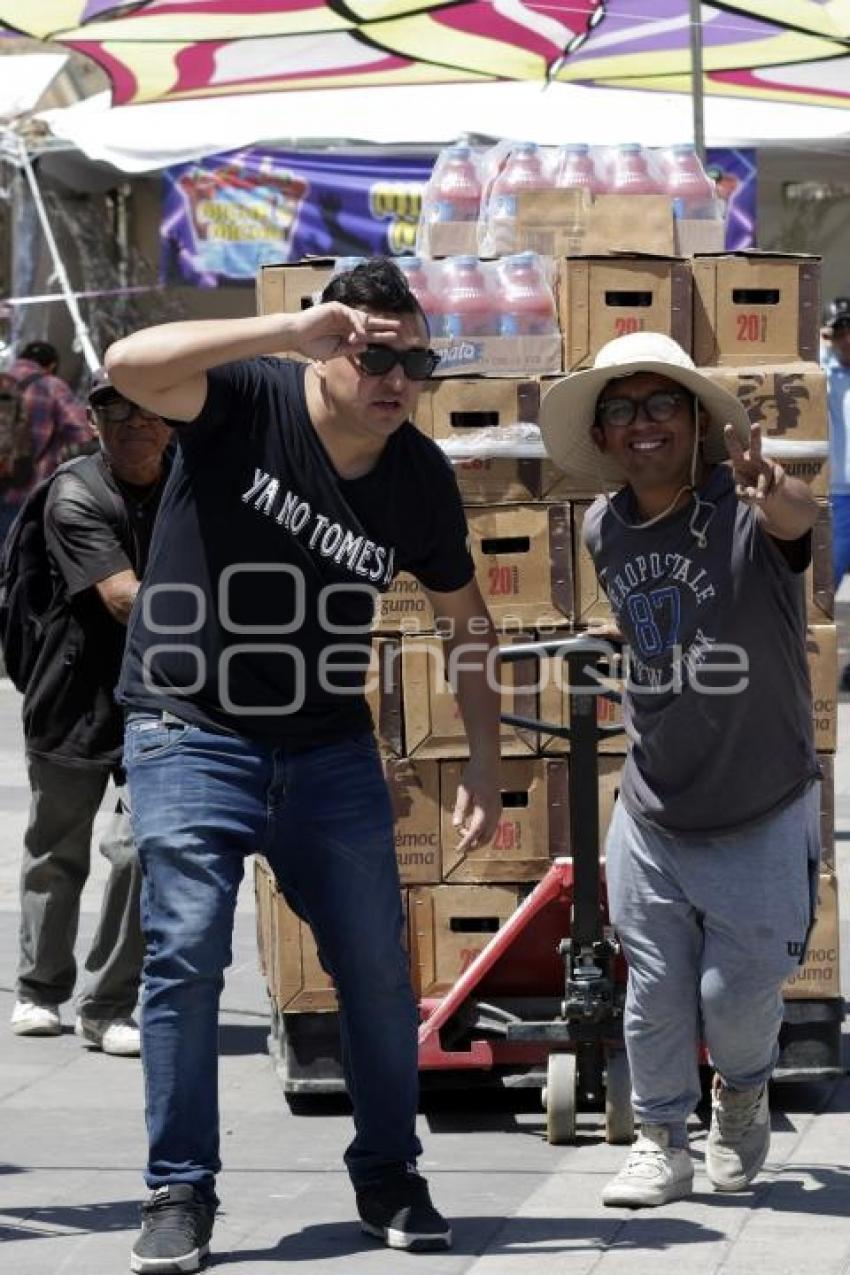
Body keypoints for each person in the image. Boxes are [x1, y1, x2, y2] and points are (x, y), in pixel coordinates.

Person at [104, 257, 502, 1272]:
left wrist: (485, 756)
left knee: (376, 968)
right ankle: (178, 1190)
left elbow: (467, 621)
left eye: (417, 360)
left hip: (328, 746)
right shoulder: (246, 396)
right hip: (189, 727)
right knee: (187, 954)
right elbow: (125, 363)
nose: (397, 378)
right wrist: (285, 329)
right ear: (328, 348)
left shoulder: (415, 476)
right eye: (376, 355)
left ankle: (388, 1171)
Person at [540, 331, 821, 1208]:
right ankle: (661, 1138)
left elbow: (797, 522)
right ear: (604, 433)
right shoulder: (602, 525)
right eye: (621, 409)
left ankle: (740, 1094)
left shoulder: (745, 506)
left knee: (734, 997)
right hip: (655, 803)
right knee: (655, 989)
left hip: (761, 803)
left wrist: (776, 492)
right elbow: (658, 617)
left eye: (663, 403)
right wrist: (614, 639)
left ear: (699, 421)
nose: (642, 423)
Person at [9, 373, 172, 1055]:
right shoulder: (76, 492)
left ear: (173, 419)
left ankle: (107, 1005)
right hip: (74, 696)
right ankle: (40, 988)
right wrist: (237, 608)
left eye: (148, 410)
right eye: (116, 410)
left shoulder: (194, 482)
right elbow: (125, 598)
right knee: (57, 852)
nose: (134, 423)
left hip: (163, 694)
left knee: (140, 850)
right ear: (94, 421)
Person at [1, 340, 95, 543]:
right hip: (27, 490)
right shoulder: (51, 386)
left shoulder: (3, 381)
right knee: (21, 562)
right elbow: (81, 431)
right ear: (51, 365)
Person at [821, 299, 850, 691]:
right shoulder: (823, 373)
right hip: (838, 495)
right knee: (826, 584)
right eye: (840, 334)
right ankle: (820, 662)